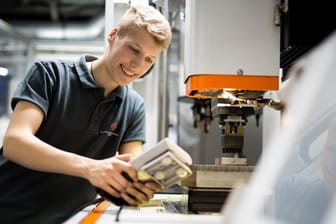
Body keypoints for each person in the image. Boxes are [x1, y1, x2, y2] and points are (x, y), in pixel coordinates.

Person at [0, 4, 172, 223]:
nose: (137, 65)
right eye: (134, 49)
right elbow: (15, 142)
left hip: (73, 218)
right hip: (11, 214)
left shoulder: (134, 106)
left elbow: (133, 167)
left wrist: (136, 186)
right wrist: (91, 168)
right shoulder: (49, 74)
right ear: (113, 35)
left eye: (149, 59)